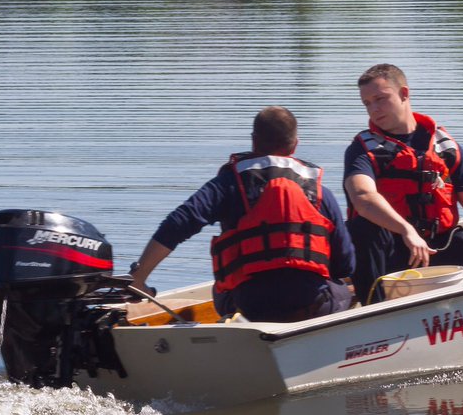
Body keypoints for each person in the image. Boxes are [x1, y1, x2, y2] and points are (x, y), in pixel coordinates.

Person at [129, 106, 354, 323]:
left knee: (224, 287)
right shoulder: (319, 192)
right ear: (294, 145)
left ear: (253, 141)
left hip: (247, 308)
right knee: (347, 289)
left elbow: (178, 222)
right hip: (311, 305)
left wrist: (139, 278)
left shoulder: (228, 184)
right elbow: (345, 264)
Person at [343, 64, 463, 304]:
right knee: (363, 230)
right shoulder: (361, 150)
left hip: (437, 247)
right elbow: (362, 196)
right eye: (367, 103)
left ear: (404, 94)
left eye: (380, 99)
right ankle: (373, 309)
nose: (374, 109)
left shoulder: (445, 147)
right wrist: (406, 230)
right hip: (394, 252)